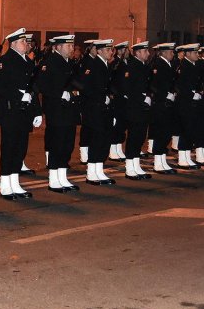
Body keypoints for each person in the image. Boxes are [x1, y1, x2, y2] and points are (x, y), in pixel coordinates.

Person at [0, 28, 41, 199]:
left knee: (20, 148)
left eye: (26, 42)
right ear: (13, 44)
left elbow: (34, 87)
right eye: (22, 42)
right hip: (11, 111)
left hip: (24, 112)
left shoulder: (28, 62)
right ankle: (5, 184)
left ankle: (15, 181)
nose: (26, 44)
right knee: (9, 147)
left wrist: (37, 111)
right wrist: (19, 94)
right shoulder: (4, 61)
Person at [37, 34, 81, 191]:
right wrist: (59, 93)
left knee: (67, 144)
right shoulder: (49, 62)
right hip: (57, 110)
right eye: (68, 46)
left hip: (69, 110)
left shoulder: (70, 63)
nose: (71, 49)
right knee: (57, 144)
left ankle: (62, 177)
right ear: (58, 47)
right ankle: (53, 178)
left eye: (72, 46)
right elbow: (42, 85)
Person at [79, 39, 118, 184]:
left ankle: (99, 170)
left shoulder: (106, 65)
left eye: (111, 50)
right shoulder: (94, 65)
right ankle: (91, 173)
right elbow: (87, 88)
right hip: (95, 109)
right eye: (107, 50)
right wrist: (103, 98)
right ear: (99, 51)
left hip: (104, 109)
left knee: (103, 140)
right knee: (96, 141)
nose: (110, 52)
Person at [123, 42, 152, 179]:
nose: (148, 53)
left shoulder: (143, 66)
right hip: (134, 108)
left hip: (143, 108)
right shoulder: (132, 66)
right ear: (138, 53)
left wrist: (148, 96)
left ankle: (136, 165)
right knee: (134, 137)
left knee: (140, 137)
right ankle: (129, 168)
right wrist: (142, 98)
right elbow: (129, 89)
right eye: (145, 51)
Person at [148, 43, 178, 174]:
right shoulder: (158, 64)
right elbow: (154, 85)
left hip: (167, 103)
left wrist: (172, 93)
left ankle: (162, 161)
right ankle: (158, 163)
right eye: (171, 52)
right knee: (161, 133)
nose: (173, 54)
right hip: (160, 104)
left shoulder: (168, 64)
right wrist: (166, 95)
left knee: (166, 133)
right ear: (164, 52)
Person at [174, 44, 202, 169]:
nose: (197, 55)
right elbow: (180, 86)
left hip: (192, 103)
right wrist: (192, 94)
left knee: (191, 130)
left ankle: (187, 156)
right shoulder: (183, 66)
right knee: (185, 130)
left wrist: (198, 92)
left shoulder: (193, 65)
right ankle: (182, 158)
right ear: (188, 54)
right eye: (195, 53)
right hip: (185, 103)